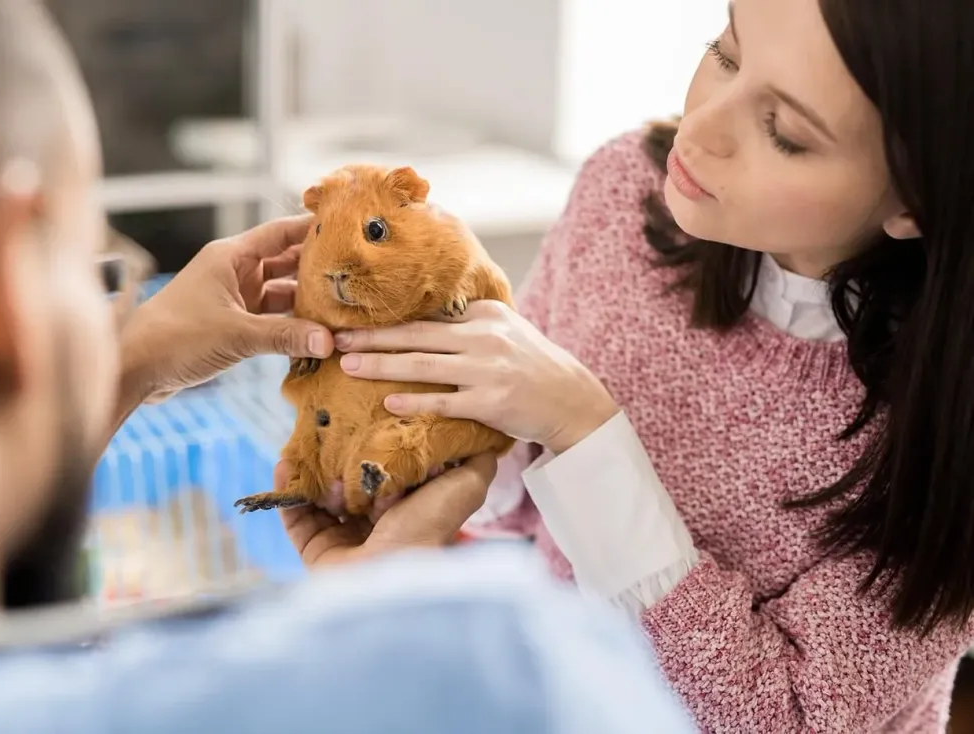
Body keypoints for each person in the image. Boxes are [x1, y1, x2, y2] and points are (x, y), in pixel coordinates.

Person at [0, 1, 694, 732]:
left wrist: (131, 366)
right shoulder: (500, 667)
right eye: (96, 272)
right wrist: (372, 609)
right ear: (4, 281)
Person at [318, 0, 974, 731]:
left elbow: (783, 719)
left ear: (917, 193)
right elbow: (522, 495)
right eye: (724, 53)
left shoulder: (947, 421)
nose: (701, 128)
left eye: (784, 133)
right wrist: (420, 453)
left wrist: (587, 436)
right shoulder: (624, 189)